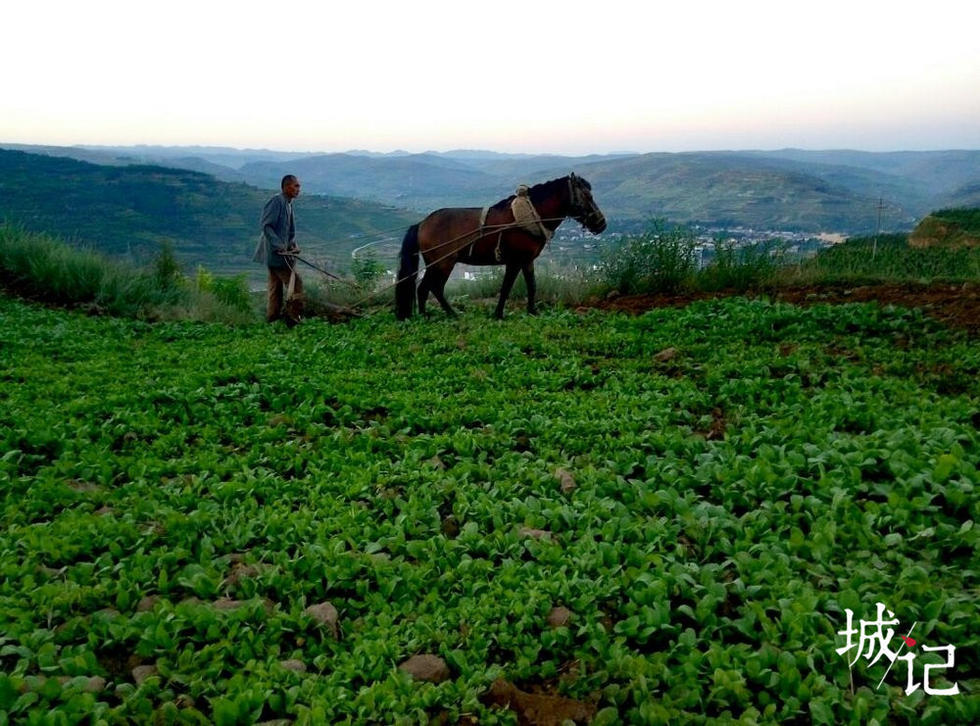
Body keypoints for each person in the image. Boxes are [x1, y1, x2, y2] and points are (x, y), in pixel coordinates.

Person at [254, 175, 303, 325]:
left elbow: (289, 231)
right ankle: (293, 317)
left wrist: (292, 245)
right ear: (286, 187)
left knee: (275, 287)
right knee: (296, 283)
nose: (298, 189)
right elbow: (266, 226)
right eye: (296, 186)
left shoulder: (288, 204)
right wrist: (279, 246)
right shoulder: (276, 201)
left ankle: (272, 318)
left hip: (279, 254)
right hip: (275, 254)